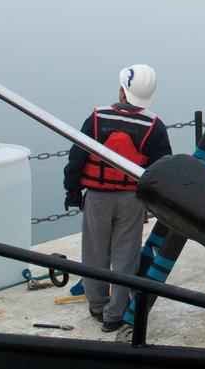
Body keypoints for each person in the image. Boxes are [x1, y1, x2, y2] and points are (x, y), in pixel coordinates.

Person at [63, 65, 171, 332]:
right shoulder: (154, 126)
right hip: (132, 200)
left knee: (94, 254)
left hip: (97, 197)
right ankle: (115, 314)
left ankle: (97, 306)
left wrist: (73, 191)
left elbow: (77, 157)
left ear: (123, 90)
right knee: (125, 258)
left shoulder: (98, 118)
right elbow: (161, 169)